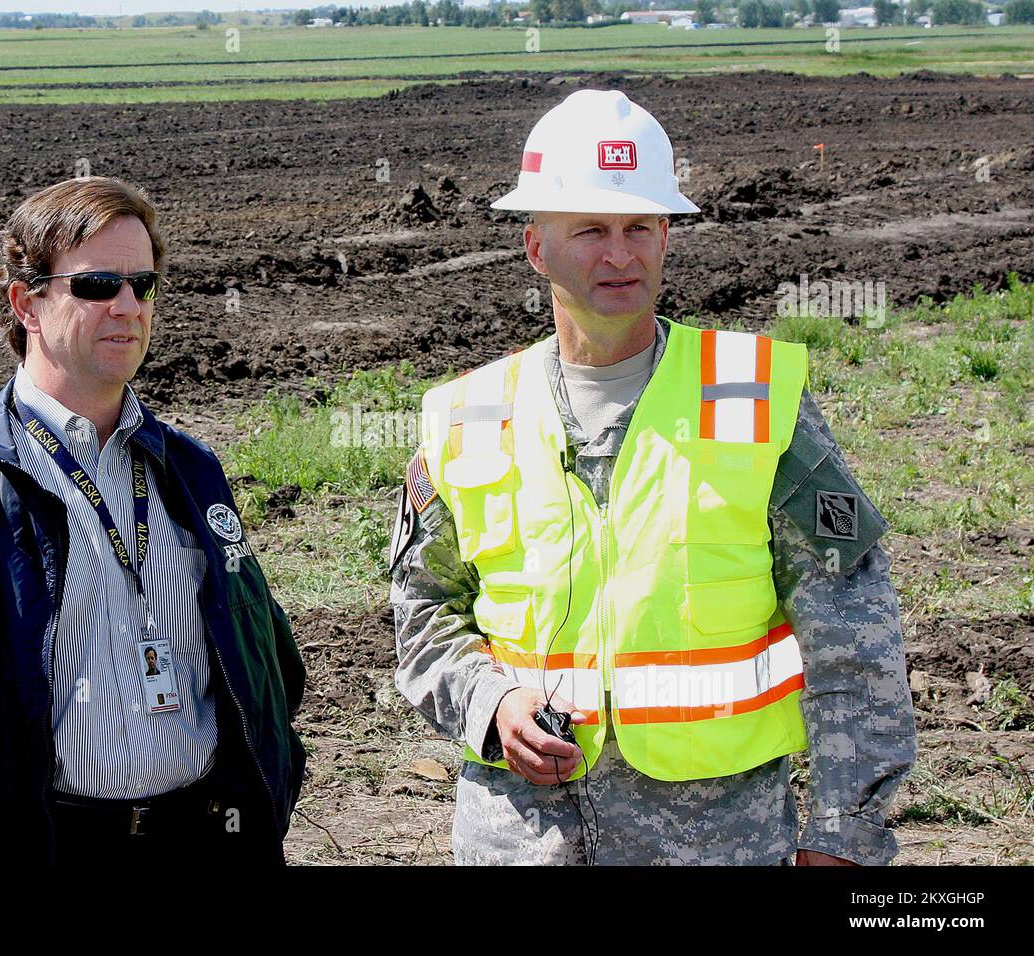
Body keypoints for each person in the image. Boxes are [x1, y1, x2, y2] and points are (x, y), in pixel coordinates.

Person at [388, 90, 916, 865]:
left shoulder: (755, 400)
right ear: (536, 247)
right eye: (592, 230)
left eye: (641, 228)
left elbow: (855, 630)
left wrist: (844, 832)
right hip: (519, 841)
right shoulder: (468, 416)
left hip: (717, 841)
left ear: (666, 236)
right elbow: (424, 615)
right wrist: (492, 702)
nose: (620, 255)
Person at [0, 176, 305, 865]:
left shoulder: (189, 470)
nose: (128, 306)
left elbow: (262, 655)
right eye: (98, 284)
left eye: (145, 285)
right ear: (28, 303)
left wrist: (268, 798)